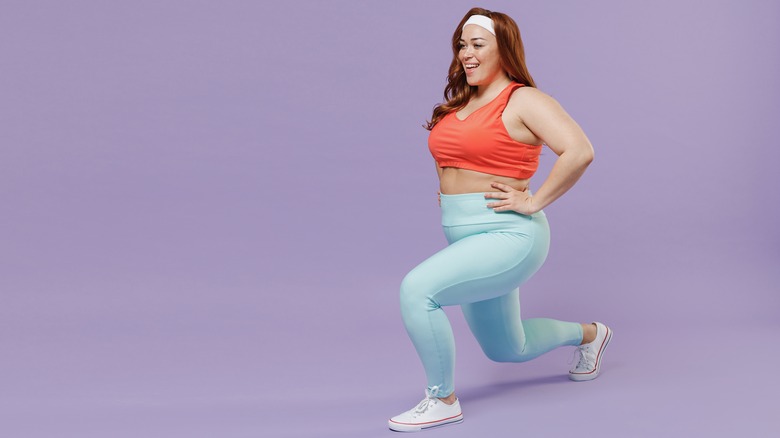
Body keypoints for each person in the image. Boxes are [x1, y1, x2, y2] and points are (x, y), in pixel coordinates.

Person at [387, 8, 613, 433]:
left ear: (504, 49)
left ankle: (441, 398)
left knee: (416, 291)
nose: (466, 54)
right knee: (509, 348)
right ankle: (591, 335)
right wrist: (451, 195)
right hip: (466, 236)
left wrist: (534, 201)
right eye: (461, 44)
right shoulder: (460, 104)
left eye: (477, 44)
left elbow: (579, 150)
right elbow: (449, 158)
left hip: (510, 234)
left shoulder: (524, 99)